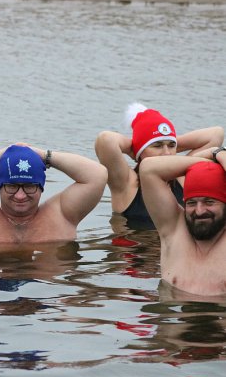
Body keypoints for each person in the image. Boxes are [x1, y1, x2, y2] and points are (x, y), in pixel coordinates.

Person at [0, 143, 107, 243]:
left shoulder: (62, 214)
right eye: (11, 186)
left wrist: (44, 155)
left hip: (45, 296)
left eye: (30, 186)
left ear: (41, 187)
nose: (20, 195)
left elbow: (98, 175)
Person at [94, 103, 224, 226]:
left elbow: (216, 134)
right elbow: (105, 140)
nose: (167, 153)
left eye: (171, 146)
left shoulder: (182, 175)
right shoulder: (126, 183)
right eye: (157, 146)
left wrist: (163, 141)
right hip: (137, 247)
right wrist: (137, 148)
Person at [140, 148, 226, 296]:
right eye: (191, 203)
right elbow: (148, 169)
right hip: (175, 317)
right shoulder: (173, 229)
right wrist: (212, 157)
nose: (199, 211)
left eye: (209, 202)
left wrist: (221, 155)